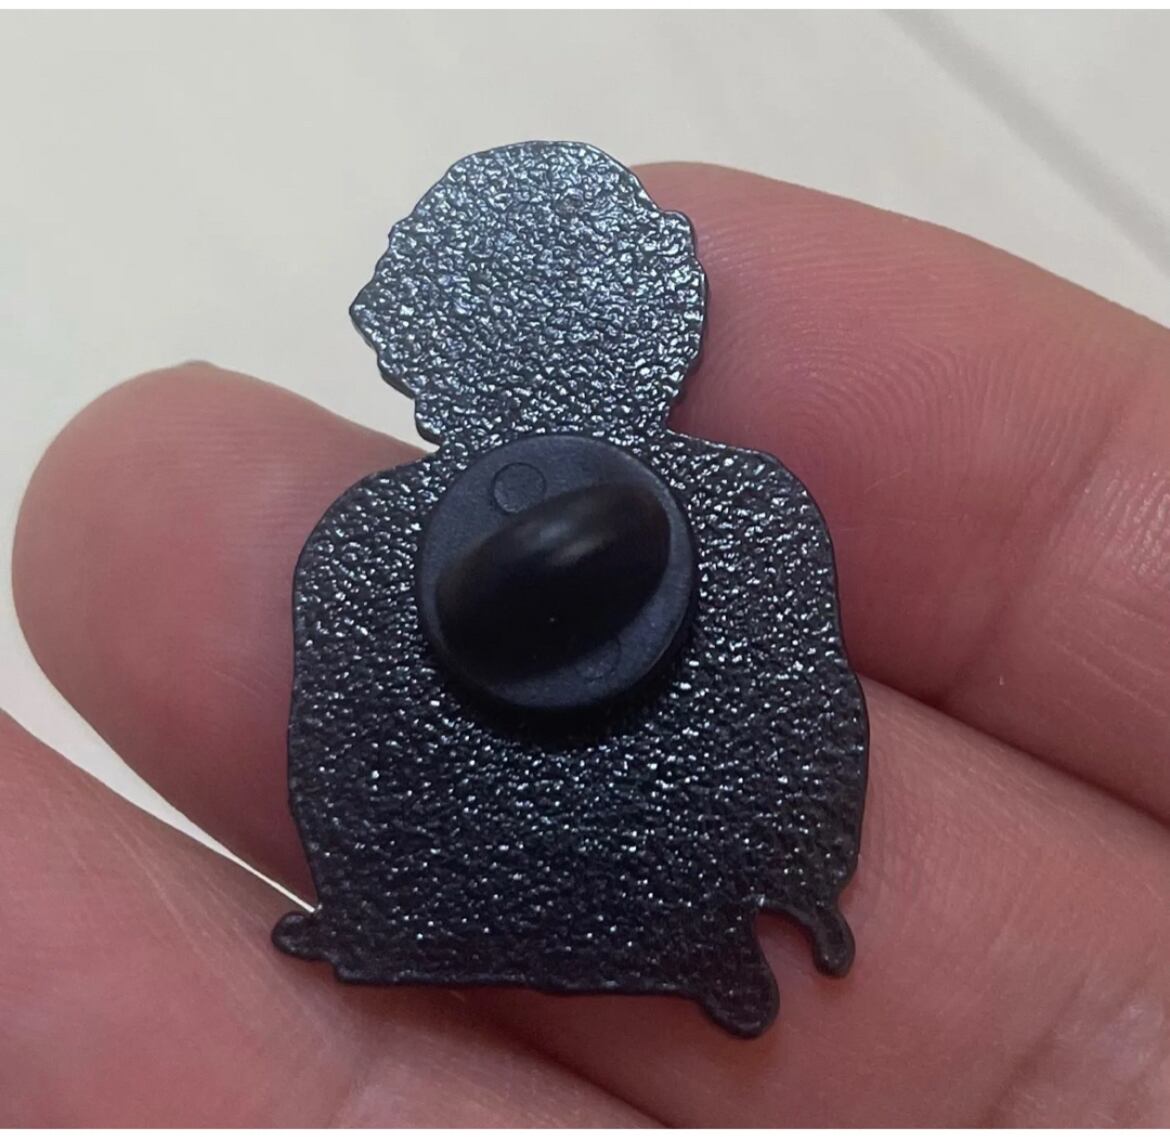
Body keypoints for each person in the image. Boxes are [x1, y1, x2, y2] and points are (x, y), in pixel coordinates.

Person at [6, 163, 1169, 1126]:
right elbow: (809, 749)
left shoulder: (372, 542)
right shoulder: (751, 513)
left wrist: (382, 908)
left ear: (414, 347)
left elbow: (341, 777)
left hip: (432, 925)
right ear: (663, 328)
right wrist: (798, 893)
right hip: (678, 934)